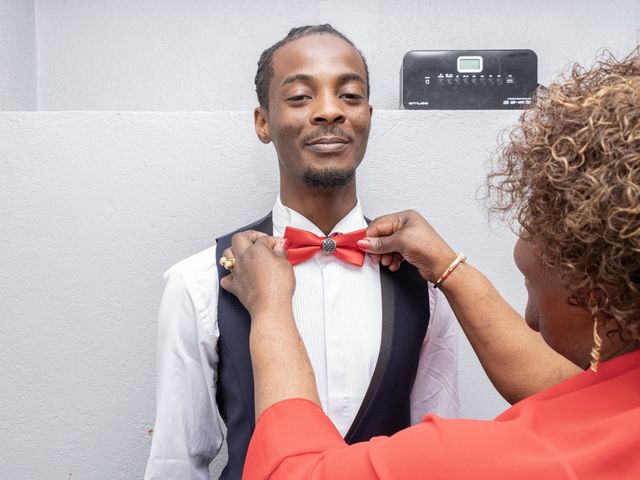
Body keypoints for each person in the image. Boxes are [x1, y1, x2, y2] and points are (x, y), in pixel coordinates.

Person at [220, 50, 640, 479]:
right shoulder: (197, 281)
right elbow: (565, 388)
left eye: (537, 217)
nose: (529, 321)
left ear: (598, 288)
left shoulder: (529, 453)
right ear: (263, 120)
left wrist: (270, 310)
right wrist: (447, 268)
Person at [145, 25, 459, 480]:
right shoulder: (196, 283)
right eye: (299, 98)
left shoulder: (427, 280)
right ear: (263, 123)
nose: (329, 111)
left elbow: (440, 453)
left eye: (349, 96)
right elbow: (177, 463)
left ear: (369, 116)